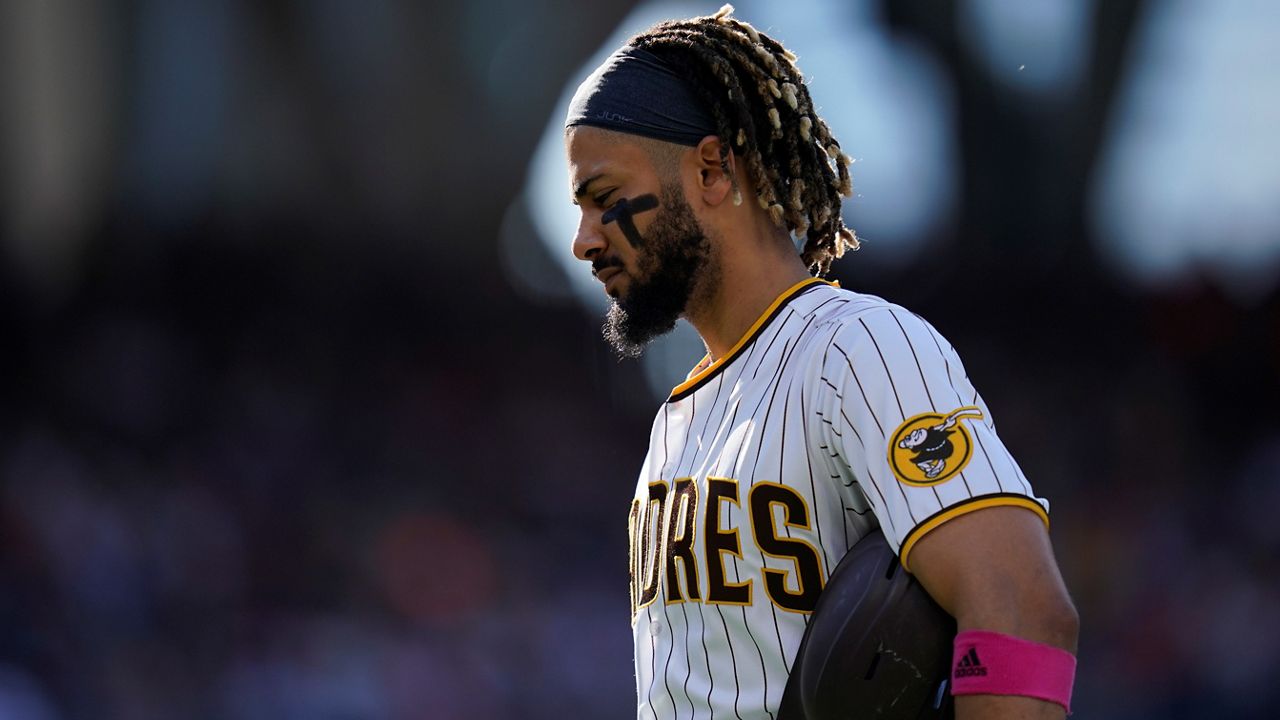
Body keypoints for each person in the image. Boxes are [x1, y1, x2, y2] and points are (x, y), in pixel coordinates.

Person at [562, 6, 1079, 719]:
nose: (584, 240)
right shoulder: (673, 424)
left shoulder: (859, 349)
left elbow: (1023, 607)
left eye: (606, 199)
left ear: (712, 170)